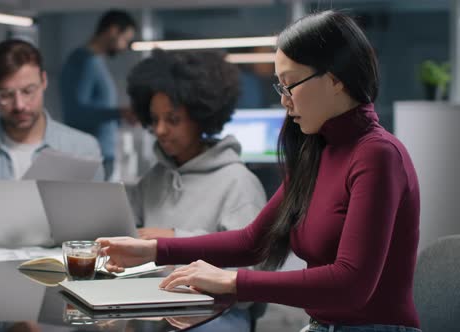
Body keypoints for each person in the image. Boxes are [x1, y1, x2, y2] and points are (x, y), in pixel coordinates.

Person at [98, 10, 422, 332]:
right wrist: (152, 251)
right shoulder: (317, 150)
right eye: (280, 87)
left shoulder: (378, 155)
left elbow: (350, 283)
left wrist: (233, 281)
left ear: (335, 80)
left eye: (290, 84)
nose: (285, 101)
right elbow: (253, 241)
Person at [124, 49, 268, 331]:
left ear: (201, 118)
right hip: (154, 308)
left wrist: (173, 240)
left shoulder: (238, 182)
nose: (161, 130)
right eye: (155, 120)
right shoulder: (153, 179)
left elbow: (251, 275)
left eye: (173, 119)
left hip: (216, 315)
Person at [0, 39, 103, 246]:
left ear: (44, 81)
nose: (19, 105)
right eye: (6, 95)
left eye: (28, 91)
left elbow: (99, 230)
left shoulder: (82, 148)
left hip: (59, 272)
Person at [60, 10, 137, 180]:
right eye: (125, 39)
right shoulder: (83, 61)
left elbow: (96, 110)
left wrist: (120, 117)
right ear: (113, 30)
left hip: (102, 156)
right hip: (89, 158)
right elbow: (75, 113)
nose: (125, 47)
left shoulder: (96, 62)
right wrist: (120, 113)